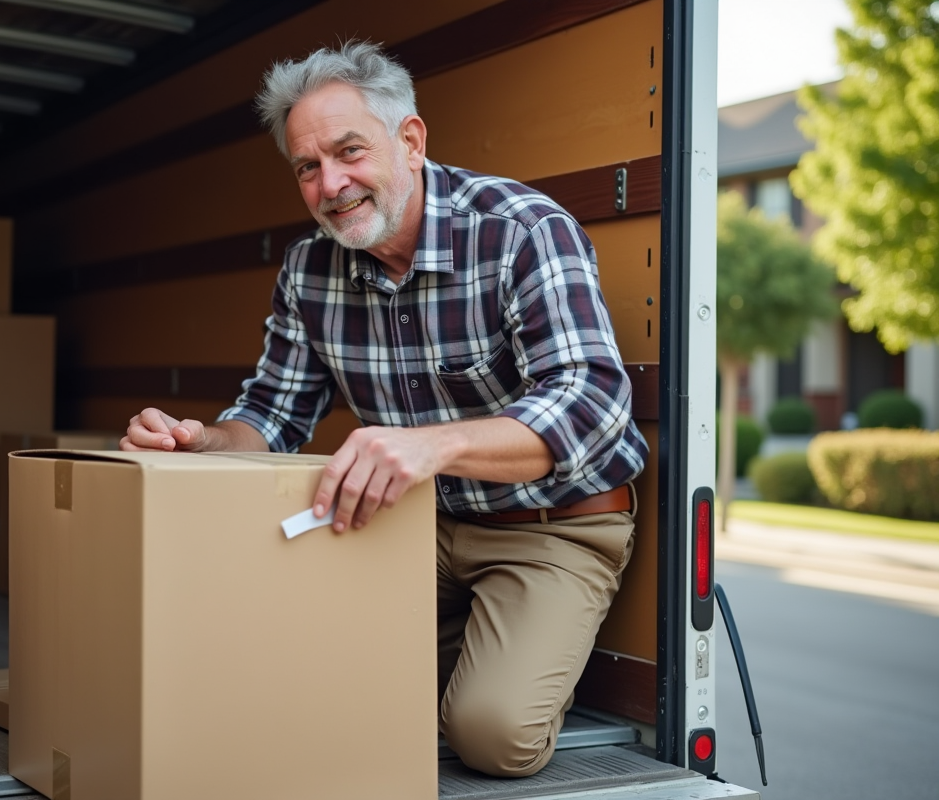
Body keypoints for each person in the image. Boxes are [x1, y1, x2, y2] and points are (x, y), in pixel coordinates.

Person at [121, 41, 648, 778]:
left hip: (551, 526)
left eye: (349, 151)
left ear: (412, 140)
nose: (331, 184)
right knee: (270, 666)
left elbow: (591, 404)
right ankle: (447, 656)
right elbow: (272, 415)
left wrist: (435, 445)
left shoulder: (521, 229)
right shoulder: (308, 269)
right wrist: (198, 442)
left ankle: (474, 666)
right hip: (414, 525)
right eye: (307, 167)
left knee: (491, 734)